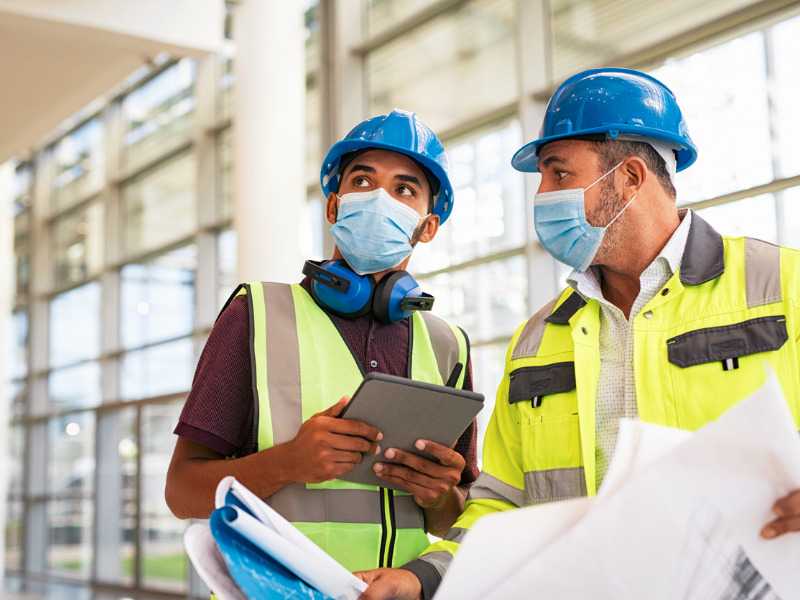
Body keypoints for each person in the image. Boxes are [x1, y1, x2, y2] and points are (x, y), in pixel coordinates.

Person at [356, 68, 800, 600]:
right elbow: (502, 506)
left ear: (630, 177)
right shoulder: (537, 339)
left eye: (558, 174)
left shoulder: (783, 288)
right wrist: (421, 578)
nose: (543, 194)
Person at [165, 109, 480, 573]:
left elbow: (459, 514)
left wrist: (439, 494)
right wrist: (287, 463)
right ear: (334, 206)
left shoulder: (448, 345)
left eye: (404, 190)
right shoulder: (255, 315)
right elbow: (181, 492)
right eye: (362, 182)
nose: (379, 199)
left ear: (427, 226)